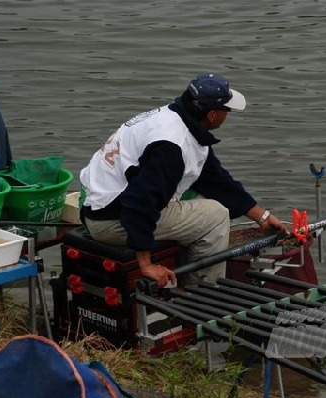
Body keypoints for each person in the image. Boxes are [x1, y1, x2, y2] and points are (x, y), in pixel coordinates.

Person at [80, 72, 289, 287]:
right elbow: (139, 203)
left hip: (100, 202)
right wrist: (146, 264)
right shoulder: (171, 147)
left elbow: (214, 179)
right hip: (111, 219)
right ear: (213, 115)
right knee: (216, 216)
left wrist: (262, 216)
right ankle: (203, 294)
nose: (228, 115)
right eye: (226, 110)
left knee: (201, 198)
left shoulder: (174, 119)